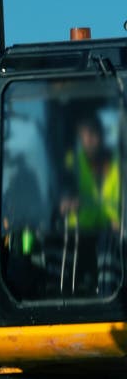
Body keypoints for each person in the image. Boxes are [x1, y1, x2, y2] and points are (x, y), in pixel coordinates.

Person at [60, 113, 121, 295]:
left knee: (110, 242)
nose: (89, 141)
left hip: (113, 231)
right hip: (77, 232)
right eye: (84, 136)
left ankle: (108, 298)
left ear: (102, 135)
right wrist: (66, 199)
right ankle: (61, 297)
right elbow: (61, 190)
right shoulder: (72, 164)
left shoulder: (120, 164)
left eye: (93, 134)